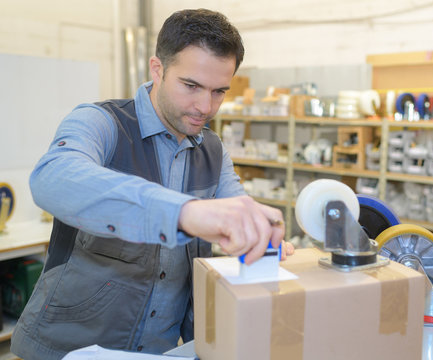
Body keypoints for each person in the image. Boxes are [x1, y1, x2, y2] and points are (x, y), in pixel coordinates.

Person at [11, 8, 293, 360]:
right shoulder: (102, 122)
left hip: (159, 352)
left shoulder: (214, 151)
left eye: (219, 91)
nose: (205, 106)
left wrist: (258, 230)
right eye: (191, 86)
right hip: (65, 350)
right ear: (157, 68)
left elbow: (238, 208)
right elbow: (53, 177)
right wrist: (184, 212)